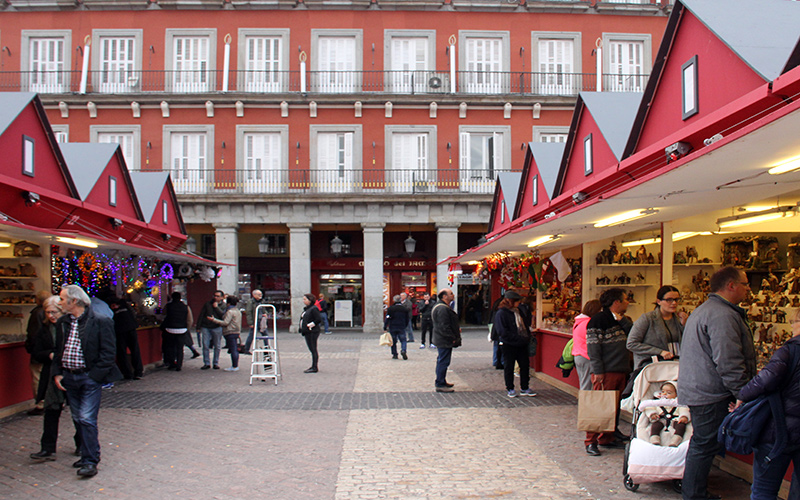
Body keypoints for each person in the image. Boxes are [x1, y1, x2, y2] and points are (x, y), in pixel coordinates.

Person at [678, 266, 756, 500]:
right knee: (704, 445)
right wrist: (743, 392)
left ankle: (694, 492)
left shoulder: (708, 310)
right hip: (710, 392)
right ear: (731, 285)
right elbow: (728, 359)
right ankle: (694, 494)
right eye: (745, 283)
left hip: (703, 389)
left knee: (703, 444)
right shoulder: (721, 315)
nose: (748, 288)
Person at [51, 284, 123, 478]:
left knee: (86, 418)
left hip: (88, 376)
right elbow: (60, 349)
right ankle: (86, 454)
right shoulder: (63, 323)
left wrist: (94, 377)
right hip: (69, 376)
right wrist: (58, 372)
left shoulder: (100, 321)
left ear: (74, 301)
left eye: (62, 299)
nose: (59, 303)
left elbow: (108, 353)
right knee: (77, 418)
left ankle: (91, 460)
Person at [739, 307, 800, 500]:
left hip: (779, 430)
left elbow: (765, 380)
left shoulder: (789, 351)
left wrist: (742, 396)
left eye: (793, 322)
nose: (792, 327)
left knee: (764, 489)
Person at [28, 296, 81, 462]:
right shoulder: (44, 329)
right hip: (51, 374)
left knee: (78, 411)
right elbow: (35, 351)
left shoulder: (71, 326)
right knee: (51, 410)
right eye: (48, 312)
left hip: (71, 373)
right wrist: (49, 355)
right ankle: (47, 447)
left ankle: (81, 444)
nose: (51, 315)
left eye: (54, 312)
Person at [584, 287, 631, 456]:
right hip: (606, 371)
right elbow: (593, 348)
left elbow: (633, 335)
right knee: (600, 406)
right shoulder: (598, 320)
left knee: (614, 407)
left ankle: (607, 436)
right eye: (625, 299)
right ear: (616, 302)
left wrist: (623, 320)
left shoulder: (623, 320)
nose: (628, 302)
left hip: (620, 369)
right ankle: (591, 440)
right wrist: (598, 371)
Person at [627, 285, 687, 370]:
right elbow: (631, 344)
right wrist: (659, 352)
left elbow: (686, 342)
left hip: (675, 365)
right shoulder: (648, 318)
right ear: (659, 301)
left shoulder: (678, 319)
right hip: (652, 367)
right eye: (669, 300)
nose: (674, 303)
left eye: (676, 299)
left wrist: (684, 325)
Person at [493, 290, 536, 398]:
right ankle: (510, 388)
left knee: (524, 365)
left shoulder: (518, 311)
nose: (519, 303)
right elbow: (502, 331)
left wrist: (526, 336)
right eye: (517, 301)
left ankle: (524, 387)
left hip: (521, 343)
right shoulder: (501, 313)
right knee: (509, 366)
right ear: (511, 301)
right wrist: (517, 338)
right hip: (509, 344)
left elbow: (524, 325)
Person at [25, 290, 51, 415]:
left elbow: (33, 334)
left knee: (38, 377)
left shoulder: (37, 314)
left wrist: (31, 348)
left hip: (40, 351)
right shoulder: (49, 313)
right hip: (47, 351)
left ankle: (41, 403)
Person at [432, 288, 461, 393]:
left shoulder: (442, 307)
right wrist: (452, 337)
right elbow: (444, 326)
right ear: (444, 296)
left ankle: (442, 381)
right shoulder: (442, 309)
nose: (453, 295)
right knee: (443, 361)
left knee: (443, 360)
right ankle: (440, 383)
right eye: (451, 294)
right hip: (443, 340)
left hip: (442, 338)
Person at [644, 382, 690, 447]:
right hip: (661, 419)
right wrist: (652, 414)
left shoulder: (678, 403)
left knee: (681, 426)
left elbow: (684, 409)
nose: (665, 394)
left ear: (676, 394)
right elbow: (650, 407)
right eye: (663, 392)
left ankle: (675, 441)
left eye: (669, 393)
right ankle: (654, 440)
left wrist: (684, 416)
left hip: (675, 419)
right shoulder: (658, 402)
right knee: (655, 426)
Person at [572, 299, 602, 391]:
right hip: (587, 356)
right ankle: (585, 404)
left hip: (578, 355)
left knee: (584, 382)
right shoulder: (589, 323)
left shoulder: (579, 322)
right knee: (587, 385)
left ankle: (584, 402)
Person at [110, 298, 143, 380]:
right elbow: (134, 315)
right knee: (134, 350)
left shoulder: (114, 310)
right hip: (131, 329)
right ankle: (138, 372)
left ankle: (127, 373)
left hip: (120, 331)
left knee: (122, 353)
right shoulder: (126, 306)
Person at [208, 295, 242, 372]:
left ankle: (234, 366)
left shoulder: (229, 311)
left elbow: (225, 323)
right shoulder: (237, 311)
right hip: (236, 331)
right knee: (234, 348)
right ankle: (235, 365)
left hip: (230, 331)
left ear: (228, 303)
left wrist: (214, 320)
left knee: (233, 349)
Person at [161, 291, 193, 371]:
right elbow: (190, 320)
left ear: (172, 297)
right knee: (180, 348)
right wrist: (187, 329)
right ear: (180, 298)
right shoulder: (186, 307)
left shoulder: (168, 306)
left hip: (169, 329)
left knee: (170, 347)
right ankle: (179, 365)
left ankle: (172, 363)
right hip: (181, 330)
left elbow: (163, 314)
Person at [196, 290, 226, 370]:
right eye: (215, 296)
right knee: (205, 345)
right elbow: (202, 314)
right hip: (206, 326)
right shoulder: (207, 304)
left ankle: (215, 363)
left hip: (217, 326)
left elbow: (223, 316)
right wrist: (198, 327)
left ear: (222, 297)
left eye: (218, 296)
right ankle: (206, 363)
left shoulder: (223, 306)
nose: (215, 297)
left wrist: (216, 308)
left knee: (217, 346)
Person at [300, 293, 322, 373]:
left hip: (312, 331)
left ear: (310, 300)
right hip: (307, 332)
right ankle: (313, 366)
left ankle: (314, 366)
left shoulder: (314, 309)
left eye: (305, 299)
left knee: (313, 348)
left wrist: (309, 325)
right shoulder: (307, 309)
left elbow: (318, 319)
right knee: (311, 348)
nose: (303, 301)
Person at [384, 295, 409, 360]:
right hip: (401, 326)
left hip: (393, 326)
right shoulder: (404, 309)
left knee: (393, 341)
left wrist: (385, 327)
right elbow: (407, 319)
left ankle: (395, 354)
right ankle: (403, 350)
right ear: (400, 300)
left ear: (394, 300)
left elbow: (387, 318)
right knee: (403, 340)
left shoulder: (390, 309)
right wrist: (405, 325)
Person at [242, 289, 267, 354]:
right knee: (251, 335)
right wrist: (250, 323)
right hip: (254, 320)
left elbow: (264, 309)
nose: (260, 296)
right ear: (254, 295)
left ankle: (267, 348)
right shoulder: (251, 302)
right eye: (259, 294)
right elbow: (249, 312)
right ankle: (246, 349)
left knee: (265, 335)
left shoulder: (262, 301)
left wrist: (265, 314)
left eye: (261, 294)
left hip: (261, 321)